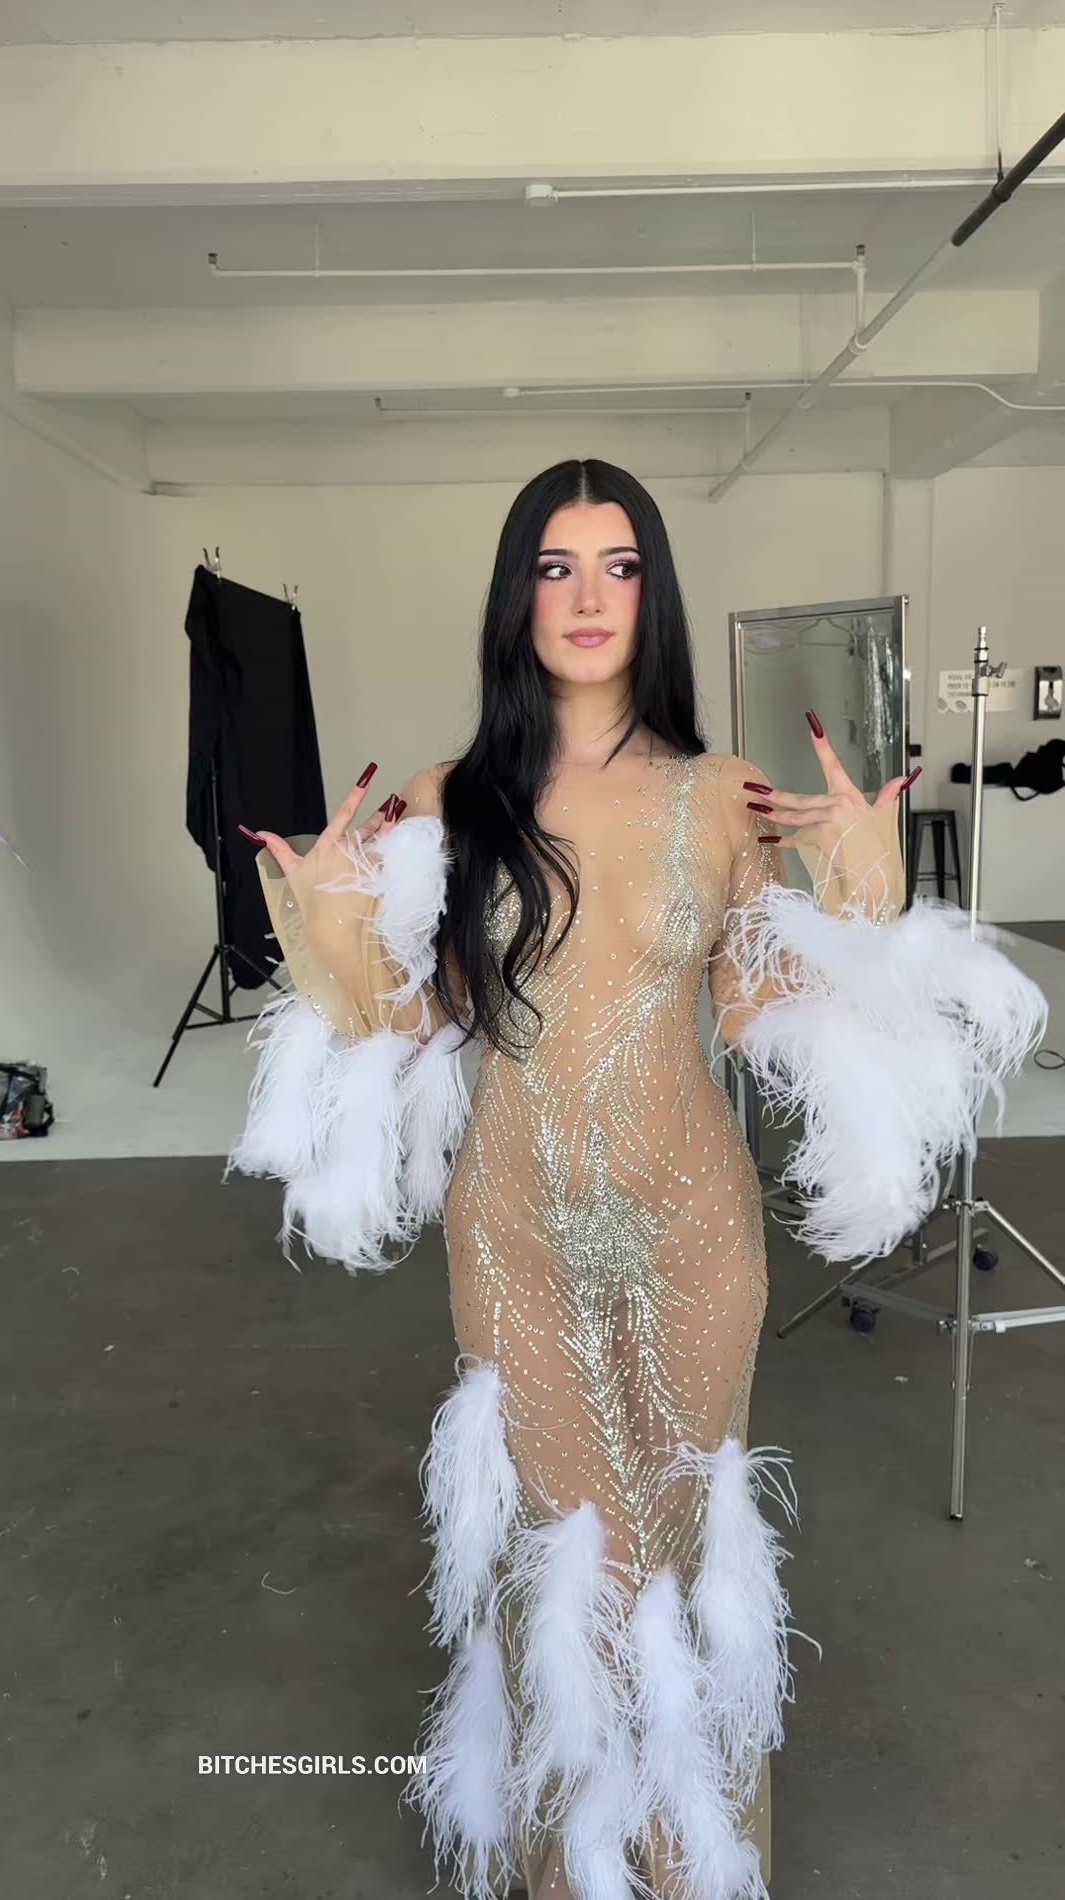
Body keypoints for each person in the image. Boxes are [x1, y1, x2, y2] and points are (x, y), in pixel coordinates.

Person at [229, 459, 1042, 1900]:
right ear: (517, 595)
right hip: (515, 1239)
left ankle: (688, 1866)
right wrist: (330, 918)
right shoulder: (448, 799)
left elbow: (766, 1010)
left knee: (677, 1558)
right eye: (556, 566)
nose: (588, 596)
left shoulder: (721, 796)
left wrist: (866, 895)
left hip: (691, 1239)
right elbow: (414, 1024)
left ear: (652, 594)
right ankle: (572, 1872)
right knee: (569, 1569)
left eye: (618, 566)